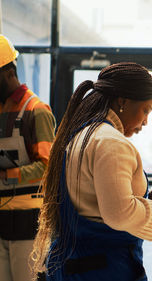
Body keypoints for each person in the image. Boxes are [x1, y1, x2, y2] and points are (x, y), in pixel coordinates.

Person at [31, 62, 152, 281]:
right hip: (103, 268)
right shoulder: (111, 142)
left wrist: (144, 198)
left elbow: (96, 202)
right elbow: (118, 214)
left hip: (74, 265)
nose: (146, 121)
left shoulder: (81, 134)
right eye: (146, 110)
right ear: (123, 101)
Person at [0, 35, 56, 281]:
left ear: (9, 72)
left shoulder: (37, 111)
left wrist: (8, 176)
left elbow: (47, 167)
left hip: (29, 222)